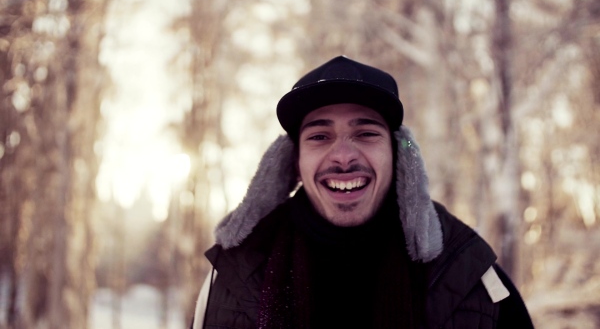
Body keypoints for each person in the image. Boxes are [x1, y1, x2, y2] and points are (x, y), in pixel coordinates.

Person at [190, 56, 534, 328]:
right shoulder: (235, 272)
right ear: (293, 161)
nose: (343, 157)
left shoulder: (468, 270)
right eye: (319, 136)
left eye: (366, 133)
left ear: (399, 155)